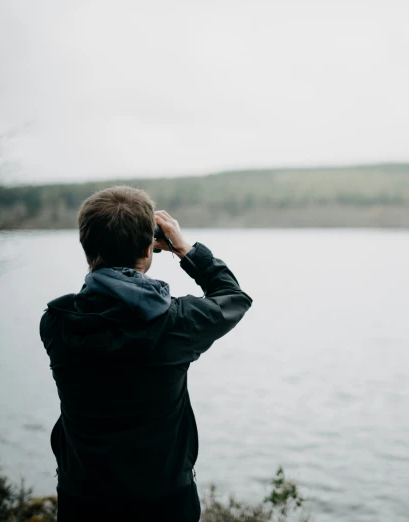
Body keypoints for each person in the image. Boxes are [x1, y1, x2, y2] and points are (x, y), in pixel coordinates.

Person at [40, 186, 252, 521]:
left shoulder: (57, 324)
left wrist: (110, 254)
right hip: (165, 502)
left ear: (87, 246)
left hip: (82, 498)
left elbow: (94, 300)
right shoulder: (176, 324)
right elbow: (233, 297)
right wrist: (185, 249)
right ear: (148, 246)